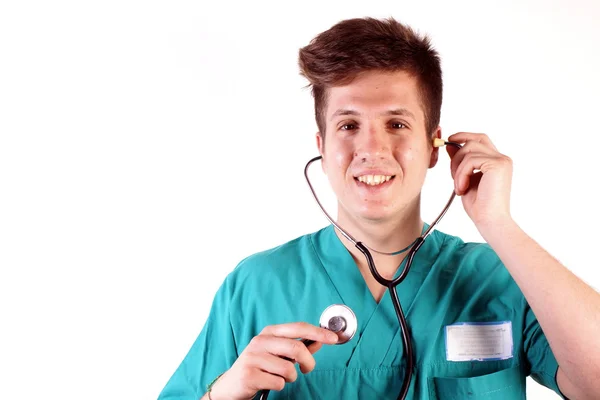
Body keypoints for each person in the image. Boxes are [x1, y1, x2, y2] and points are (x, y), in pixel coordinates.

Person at [158, 17, 600, 399]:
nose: (371, 148)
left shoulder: (497, 278)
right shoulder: (255, 287)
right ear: (322, 147)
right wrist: (225, 392)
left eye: (397, 123)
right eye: (348, 125)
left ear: (434, 145)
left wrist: (499, 224)